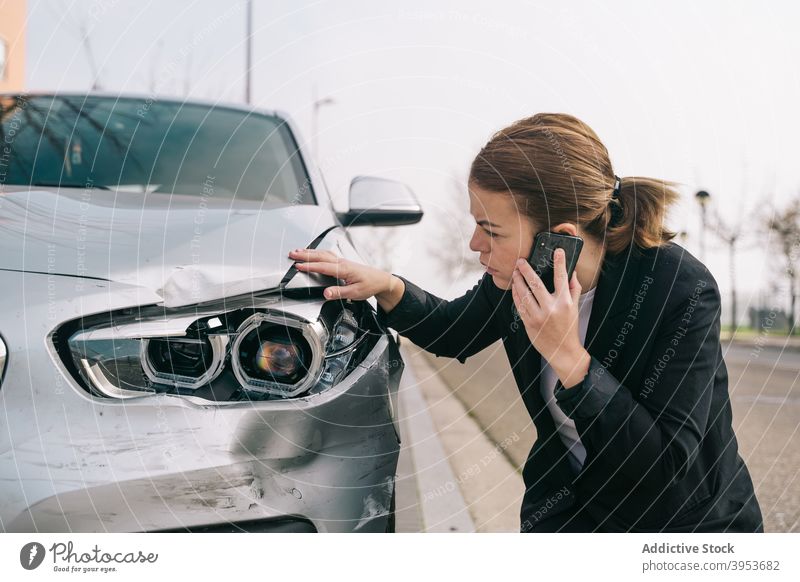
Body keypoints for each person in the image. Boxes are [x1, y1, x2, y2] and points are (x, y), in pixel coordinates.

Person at [288, 113, 763, 533]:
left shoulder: (679, 290)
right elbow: (456, 330)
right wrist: (386, 285)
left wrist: (571, 360)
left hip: (683, 528)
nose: (475, 244)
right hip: (570, 514)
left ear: (560, 240)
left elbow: (663, 469)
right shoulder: (521, 276)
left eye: (491, 229)